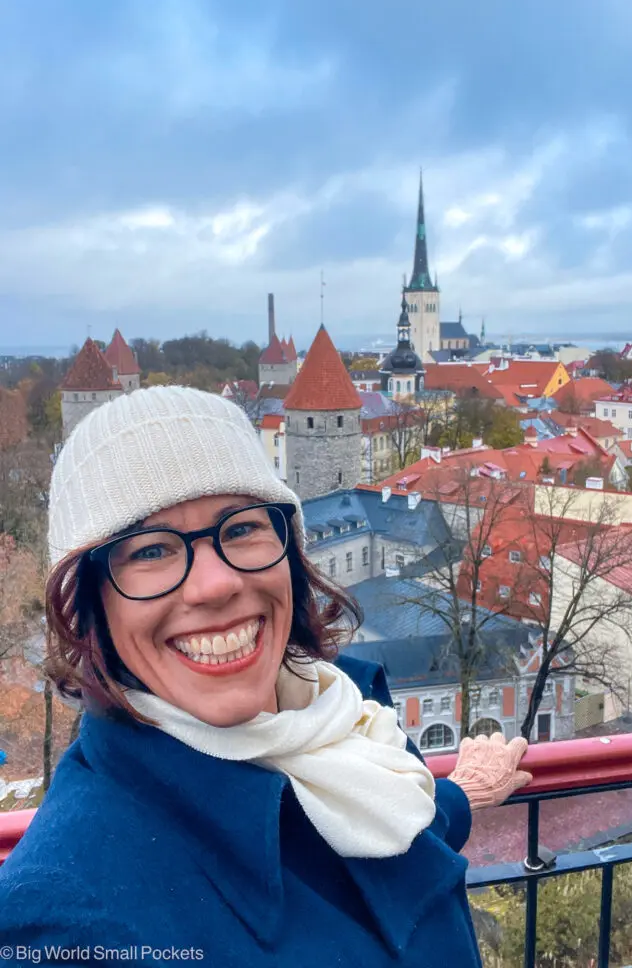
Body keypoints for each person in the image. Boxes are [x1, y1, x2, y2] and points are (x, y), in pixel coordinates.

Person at [0, 386, 531, 966]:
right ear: (88, 604)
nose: (216, 584)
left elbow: (388, 834)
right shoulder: (61, 919)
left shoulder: (346, 722)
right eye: (150, 551)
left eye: (239, 529)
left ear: (288, 551)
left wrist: (464, 792)